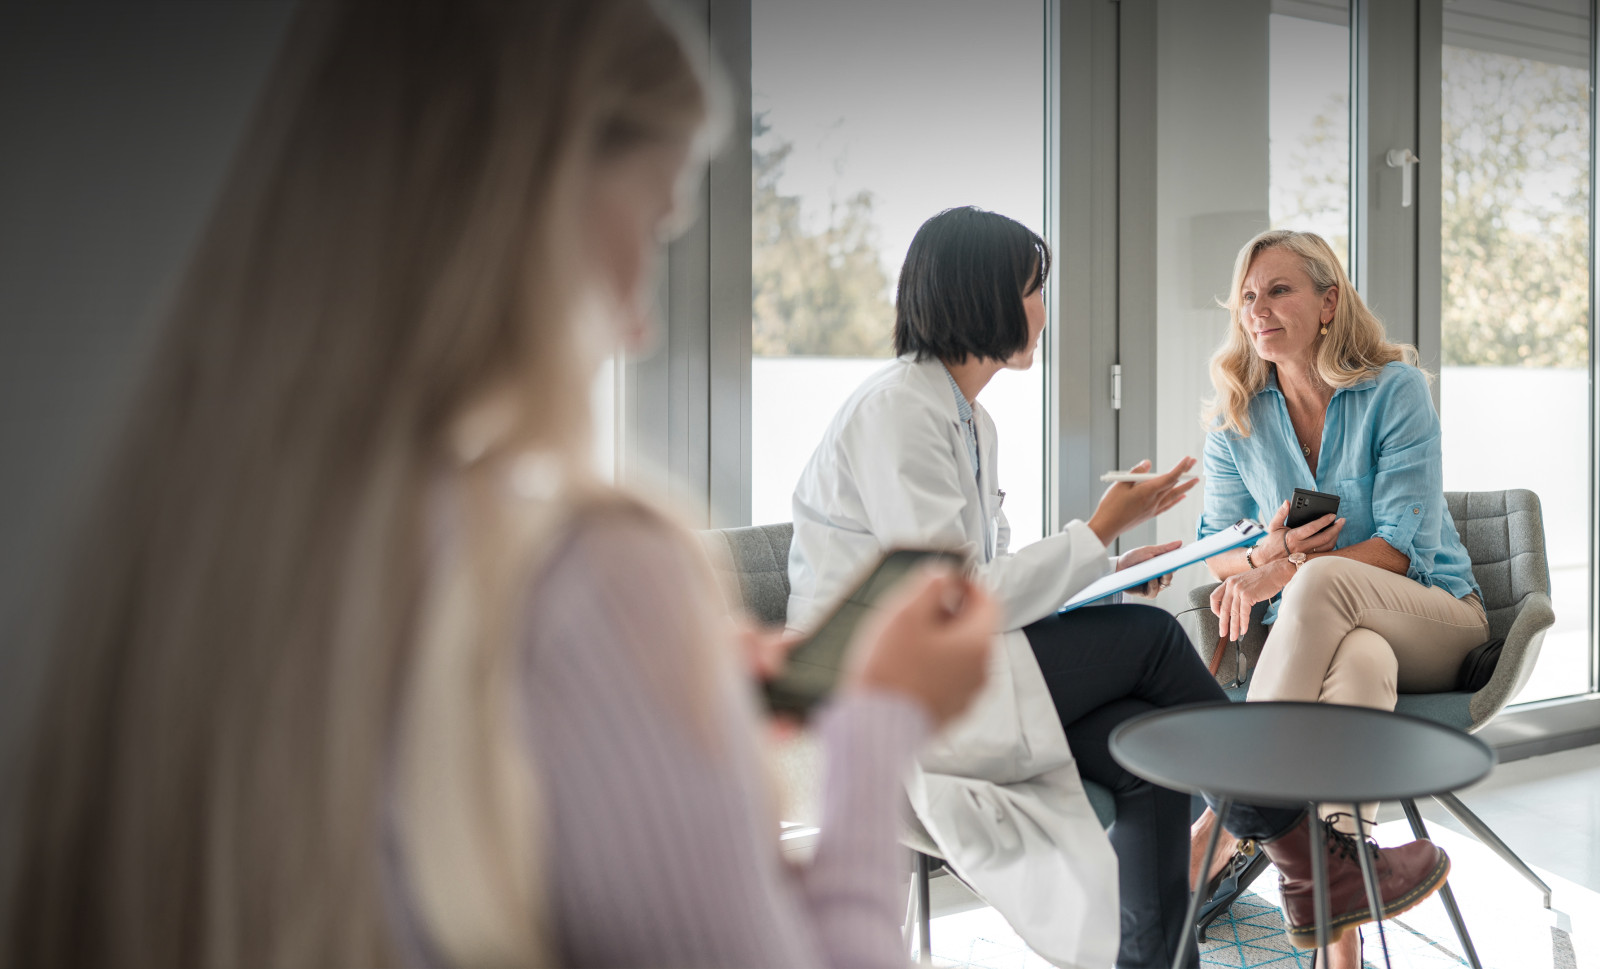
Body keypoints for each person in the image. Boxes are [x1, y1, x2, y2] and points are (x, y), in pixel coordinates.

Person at [0, 3, 1000, 968]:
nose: (640, 322)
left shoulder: (167, 545)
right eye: (649, 229)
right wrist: (879, 723)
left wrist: (646, 710)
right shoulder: (592, 574)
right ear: (527, 203)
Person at [787, 207, 1452, 968]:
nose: (1044, 309)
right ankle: (1309, 859)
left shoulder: (970, 423)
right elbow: (958, 599)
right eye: (1035, 288)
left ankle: (1179, 947)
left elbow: (982, 583)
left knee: (1148, 749)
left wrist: (1111, 573)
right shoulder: (900, 412)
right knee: (1154, 639)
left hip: (957, 668)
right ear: (985, 297)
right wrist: (1098, 536)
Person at [1191, 228, 1488, 967]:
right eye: (1248, 296)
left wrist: (1281, 571)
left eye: (1279, 290)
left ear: (1329, 303)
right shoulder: (1239, 418)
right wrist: (1265, 554)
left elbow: (1397, 548)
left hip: (1436, 616)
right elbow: (1214, 542)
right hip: (1342, 637)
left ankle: (1224, 819)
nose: (1257, 309)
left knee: (1323, 582)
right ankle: (1338, 929)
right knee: (1358, 664)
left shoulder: (1395, 391)